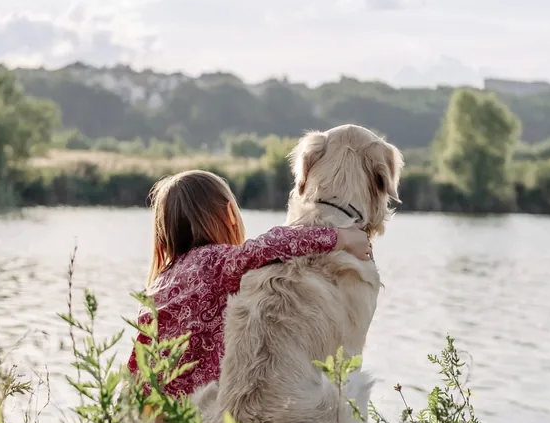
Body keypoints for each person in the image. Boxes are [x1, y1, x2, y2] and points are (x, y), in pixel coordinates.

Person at [127, 169, 372, 404]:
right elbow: (272, 244)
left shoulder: (162, 280)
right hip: (195, 415)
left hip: (149, 411)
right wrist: (341, 238)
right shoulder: (217, 262)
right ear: (230, 214)